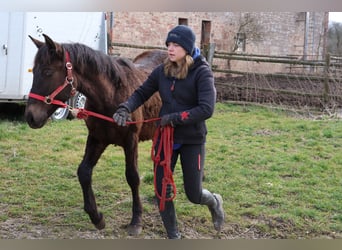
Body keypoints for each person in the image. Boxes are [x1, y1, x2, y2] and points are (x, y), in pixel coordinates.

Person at [113, 25, 224, 239]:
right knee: (162, 191)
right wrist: (126, 107)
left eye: (176, 45)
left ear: (188, 48)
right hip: (166, 138)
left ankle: (214, 201)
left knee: (194, 194)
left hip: (192, 139)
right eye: (169, 45)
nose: (170, 49)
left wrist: (175, 117)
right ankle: (174, 236)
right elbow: (143, 92)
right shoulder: (163, 70)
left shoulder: (202, 72)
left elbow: (207, 108)